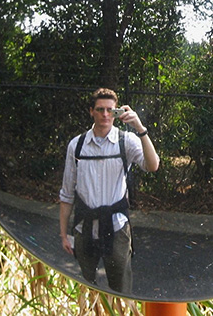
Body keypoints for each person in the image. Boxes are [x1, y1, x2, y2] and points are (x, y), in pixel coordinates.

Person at [59, 88, 159, 292]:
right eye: (100, 109)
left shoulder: (127, 141)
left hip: (117, 228)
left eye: (110, 110)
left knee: (121, 289)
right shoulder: (77, 146)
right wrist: (63, 234)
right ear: (91, 111)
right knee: (86, 289)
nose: (105, 115)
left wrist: (139, 127)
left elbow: (152, 165)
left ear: (117, 112)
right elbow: (67, 193)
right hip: (83, 228)